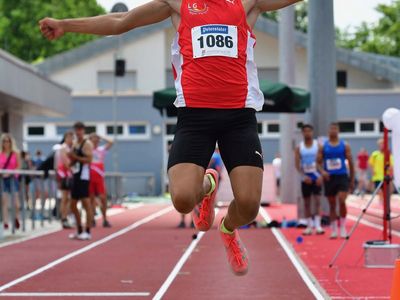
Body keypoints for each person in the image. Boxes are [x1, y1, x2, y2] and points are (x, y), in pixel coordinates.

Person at [40, 0, 303, 275]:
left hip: (238, 118)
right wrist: (65, 25)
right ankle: (207, 184)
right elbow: (121, 22)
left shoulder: (246, 3)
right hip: (195, 119)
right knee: (182, 199)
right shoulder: (179, 4)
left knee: (249, 207)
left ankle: (228, 229)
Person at [317, 123, 355, 239]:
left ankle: (342, 227)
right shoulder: (324, 146)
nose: (333, 131)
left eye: (335, 129)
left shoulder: (344, 145)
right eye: (331, 129)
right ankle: (334, 229)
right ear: (328, 131)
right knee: (332, 204)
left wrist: (352, 179)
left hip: (342, 176)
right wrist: (322, 172)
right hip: (329, 177)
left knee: (341, 200)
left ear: (338, 131)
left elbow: (351, 163)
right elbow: (318, 162)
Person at [295, 124, 324, 235]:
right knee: (306, 202)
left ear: (312, 132)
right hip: (306, 177)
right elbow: (297, 165)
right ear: (302, 133)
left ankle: (318, 225)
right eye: (305, 131)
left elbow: (323, 162)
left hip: (316, 176)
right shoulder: (300, 147)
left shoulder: (318, 146)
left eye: (309, 131)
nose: (307, 133)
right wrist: (303, 177)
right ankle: (309, 225)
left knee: (317, 201)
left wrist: (321, 176)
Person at [68, 122, 93, 240]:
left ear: (83, 130)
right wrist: (70, 160)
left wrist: (75, 157)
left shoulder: (87, 144)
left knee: (86, 203)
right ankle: (79, 229)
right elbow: (73, 160)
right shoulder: (74, 143)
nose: (78, 132)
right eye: (76, 130)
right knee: (72, 205)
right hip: (75, 175)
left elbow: (89, 159)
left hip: (84, 176)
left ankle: (87, 231)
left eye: (80, 130)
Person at [89, 133, 113, 228]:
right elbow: (78, 143)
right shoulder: (88, 149)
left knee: (103, 198)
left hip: (99, 177)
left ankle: (105, 219)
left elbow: (111, 142)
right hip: (90, 177)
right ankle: (92, 219)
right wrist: (89, 137)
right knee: (91, 200)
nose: (95, 141)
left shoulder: (101, 149)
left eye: (97, 140)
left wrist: (100, 136)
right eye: (93, 140)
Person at [0, 133, 21, 230]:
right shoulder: (0, 154)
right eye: (4, 141)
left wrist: (11, 173)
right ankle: (5, 222)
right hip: (3, 179)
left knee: (16, 203)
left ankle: (16, 218)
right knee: (4, 201)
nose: (6, 143)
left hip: (13, 179)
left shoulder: (16, 153)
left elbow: (19, 166)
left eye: (8, 141)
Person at [56, 131, 74, 229]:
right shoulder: (63, 148)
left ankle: (65, 217)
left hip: (69, 174)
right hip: (65, 175)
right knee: (65, 198)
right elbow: (66, 163)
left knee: (69, 198)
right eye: (69, 137)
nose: (71, 140)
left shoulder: (70, 148)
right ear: (65, 138)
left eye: (72, 138)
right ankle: (63, 218)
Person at [368, 139, 394, 205]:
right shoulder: (375, 154)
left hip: (386, 176)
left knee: (388, 191)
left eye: (383, 144)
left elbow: (391, 165)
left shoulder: (388, 155)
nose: (382, 145)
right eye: (380, 144)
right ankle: (381, 201)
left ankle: (386, 202)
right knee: (379, 191)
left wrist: (391, 173)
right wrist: (372, 170)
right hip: (377, 176)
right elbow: (370, 163)